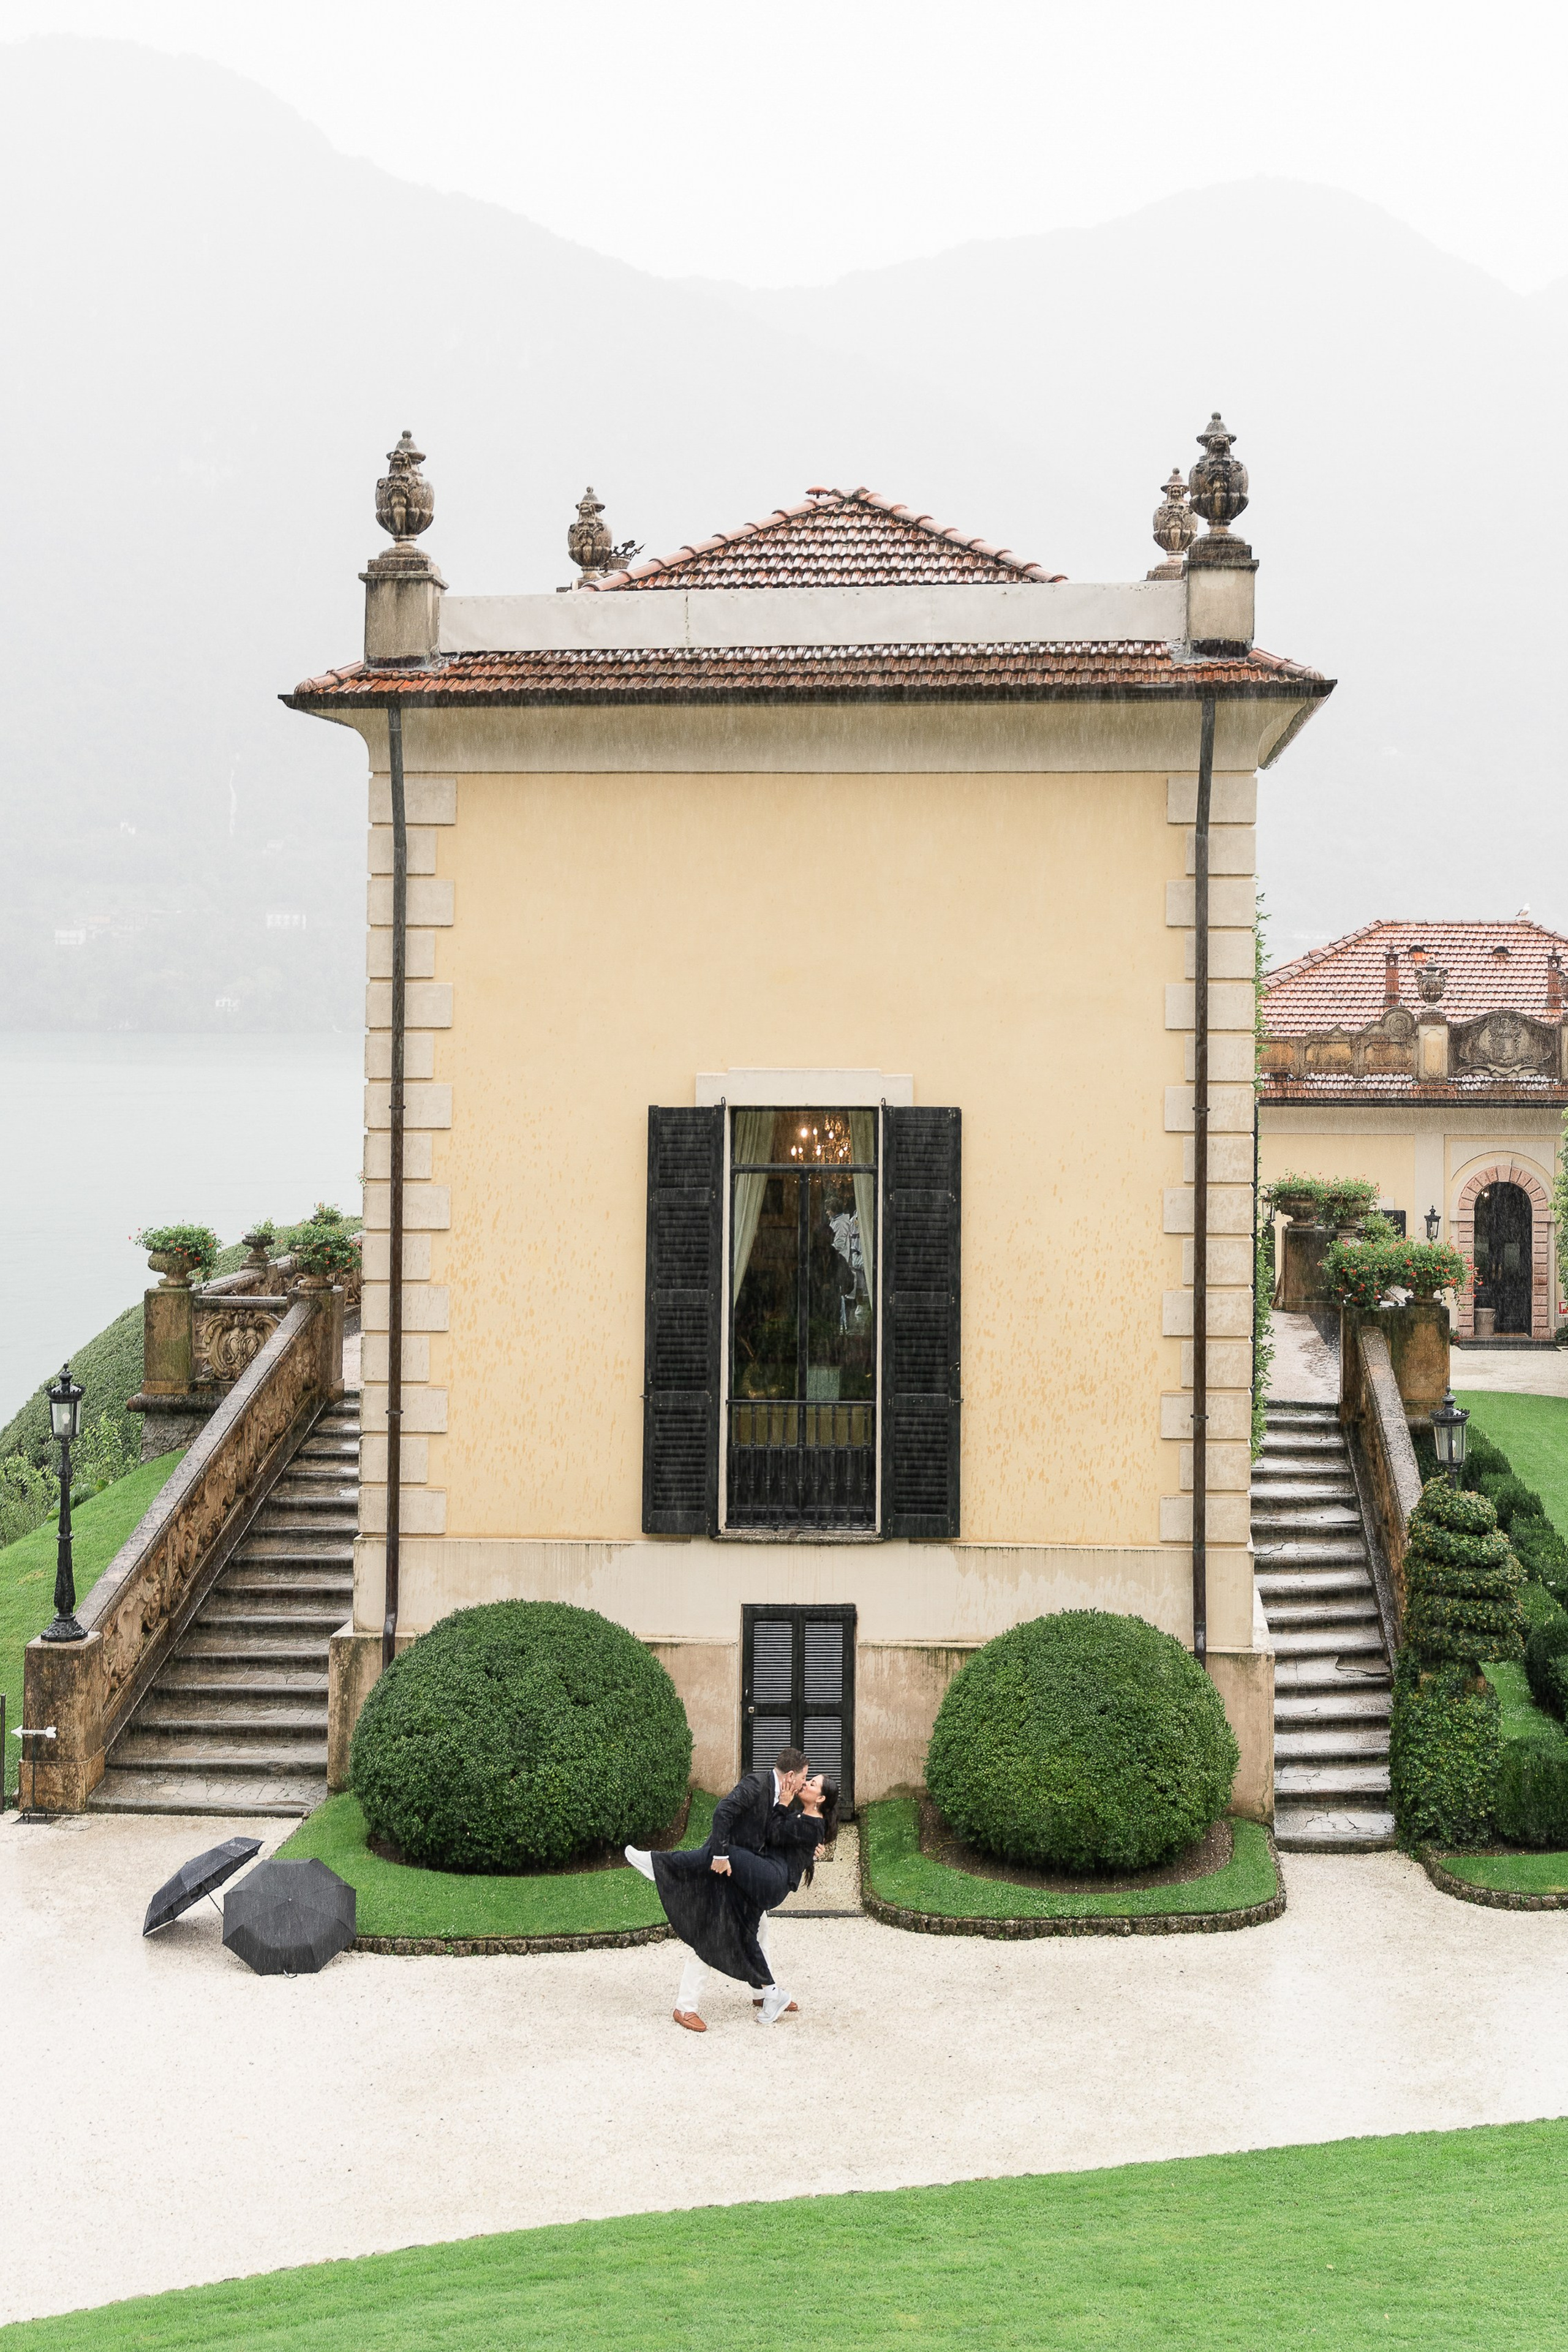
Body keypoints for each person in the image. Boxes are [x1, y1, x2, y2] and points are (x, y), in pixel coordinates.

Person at [625, 1747, 821, 2029]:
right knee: (711, 1932)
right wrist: (719, 1855)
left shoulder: (787, 1799)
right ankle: (685, 2007)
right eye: (804, 1778)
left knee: (759, 1931)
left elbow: (781, 1832)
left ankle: (764, 1993)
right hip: (725, 1871)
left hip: (749, 1878)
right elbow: (723, 1812)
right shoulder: (756, 1784)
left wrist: (810, 1844)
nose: (805, 1783)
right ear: (791, 1776)